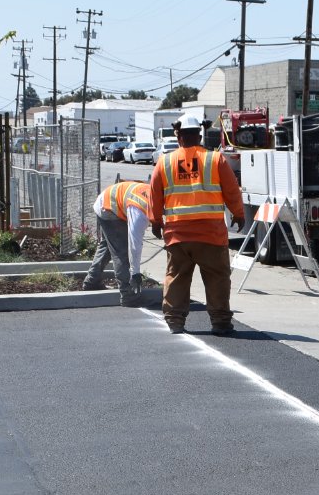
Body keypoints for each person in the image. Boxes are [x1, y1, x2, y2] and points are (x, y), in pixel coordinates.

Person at [148, 111, 244, 335]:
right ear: (199, 135)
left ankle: (175, 321)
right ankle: (220, 322)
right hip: (211, 235)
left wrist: (155, 220)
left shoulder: (165, 161)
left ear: (178, 135)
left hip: (178, 234)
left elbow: (154, 194)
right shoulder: (214, 159)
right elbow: (231, 190)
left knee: (177, 277)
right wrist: (239, 213)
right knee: (217, 278)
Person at [84, 177, 150, 306]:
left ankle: (91, 281)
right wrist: (135, 273)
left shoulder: (152, 195)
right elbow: (134, 245)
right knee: (121, 251)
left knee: (108, 246)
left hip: (110, 201)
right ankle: (127, 295)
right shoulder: (139, 212)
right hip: (108, 208)